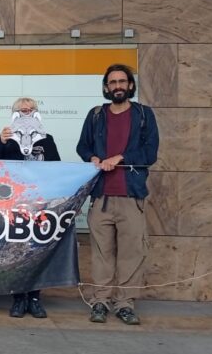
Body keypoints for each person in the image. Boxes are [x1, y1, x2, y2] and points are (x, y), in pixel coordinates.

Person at [76, 64, 159, 325]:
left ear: (131, 86)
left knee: (131, 254)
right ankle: (99, 301)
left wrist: (120, 157)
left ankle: (125, 304)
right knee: (102, 254)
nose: (118, 86)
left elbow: (150, 153)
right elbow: (83, 146)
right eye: (112, 83)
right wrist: (93, 157)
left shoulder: (144, 115)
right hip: (101, 197)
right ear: (106, 87)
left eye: (122, 82)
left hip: (131, 196)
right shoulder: (96, 115)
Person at [0, 97, 60, 318]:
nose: (26, 112)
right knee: (16, 253)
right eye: (21, 110)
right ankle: (18, 299)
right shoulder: (7, 139)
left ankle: (34, 298)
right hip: (14, 207)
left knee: (38, 251)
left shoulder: (48, 139)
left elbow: (57, 168)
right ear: (13, 114)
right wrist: (0, 141)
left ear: (37, 113)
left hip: (40, 206)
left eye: (30, 109)